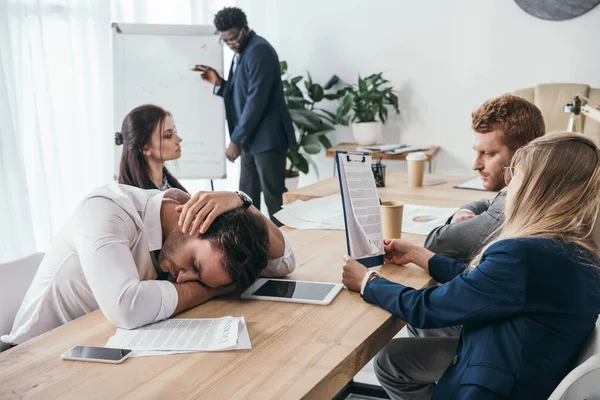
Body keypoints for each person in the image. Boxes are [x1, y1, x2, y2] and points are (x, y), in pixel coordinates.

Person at [342, 133, 600, 399]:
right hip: (522, 365)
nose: (508, 186)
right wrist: (421, 256)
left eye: (516, 174)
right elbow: (488, 284)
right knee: (403, 348)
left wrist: (367, 282)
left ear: (536, 189)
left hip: (489, 384)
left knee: (417, 328)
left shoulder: (524, 254)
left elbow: (428, 309)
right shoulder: (575, 251)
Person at [1, 185, 295, 346]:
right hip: (34, 355)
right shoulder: (107, 209)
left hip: (101, 347)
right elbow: (126, 307)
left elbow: (282, 262)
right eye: (194, 265)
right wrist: (211, 290)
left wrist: (240, 200)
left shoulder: (203, 234)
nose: (184, 280)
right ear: (192, 221)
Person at [197, 7, 296, 226]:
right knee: (246, 198)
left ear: (245, 27)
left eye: (235, 37)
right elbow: (240, 94)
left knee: (274, 199)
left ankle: (288, 250)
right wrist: (219, 83)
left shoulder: (259, 50)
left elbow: (256, 101)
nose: (232, 44)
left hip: (268, 139)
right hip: (253, 140)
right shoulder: (243, 52)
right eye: (226, 41)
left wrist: (236, 140)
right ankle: (257, 248)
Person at [424, 93, 545, 263]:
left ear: (523, 152)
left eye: (488, 154)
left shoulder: (520, 203)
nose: (476, 165)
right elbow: (489, 203)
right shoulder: (538, 181)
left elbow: (436, 243)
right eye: (477, 152)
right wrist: (465, 212)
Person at [115, 104, 187, 192]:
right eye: (168, 135)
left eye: (174, 132)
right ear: (145, 148)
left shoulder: (173, 188)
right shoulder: (131, 200)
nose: (179, 139)